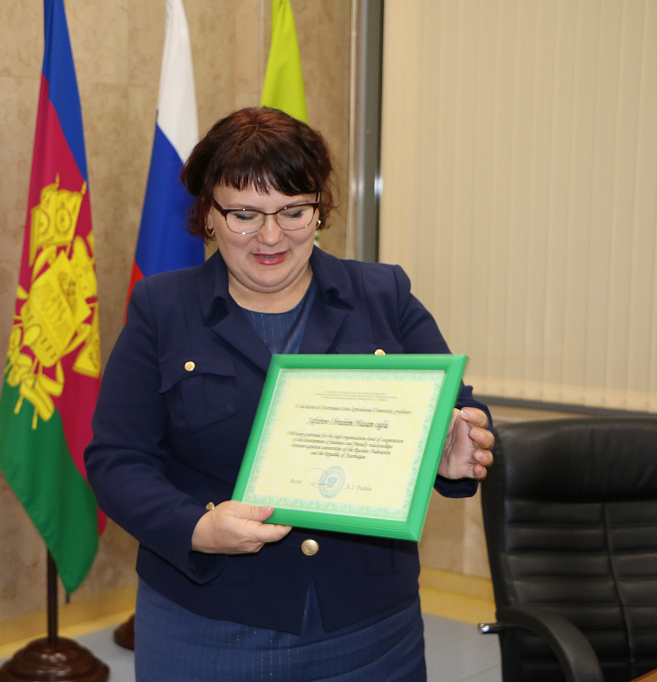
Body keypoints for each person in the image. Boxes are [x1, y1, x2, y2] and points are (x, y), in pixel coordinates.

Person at [84, 106, 495, 681]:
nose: (271, 236)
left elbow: (456, 407)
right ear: (208, 214)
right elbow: (117, 459)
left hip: (369, 625)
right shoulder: (163, 308)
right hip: (208, 621)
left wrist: (455, 446)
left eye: (293, 212)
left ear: (320, 209)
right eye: (244, 215)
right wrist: (197, 527)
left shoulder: (383, 294)